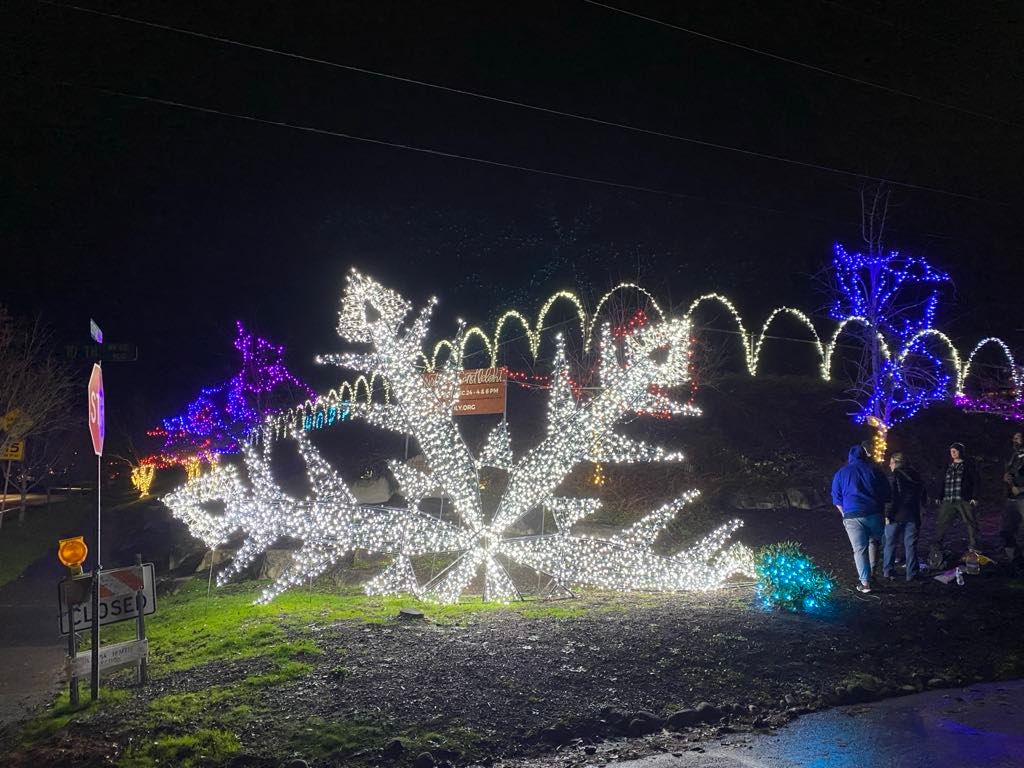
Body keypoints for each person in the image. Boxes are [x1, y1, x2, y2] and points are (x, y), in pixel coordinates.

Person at [832, 443, 891, 593]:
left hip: (852, 515)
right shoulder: (875, 471)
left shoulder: (841, 473)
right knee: (874, 543)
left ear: (850, 457)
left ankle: (865, 584)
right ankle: (873, 574)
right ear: (865, 456)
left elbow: (836, 498)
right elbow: (887, 493)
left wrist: (845, 514)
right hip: (874, 513)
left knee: (859, 550)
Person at [931, 442, 981, 560]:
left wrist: (975, 497)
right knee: (942, 522)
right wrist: (939, 496)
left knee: (970, 522)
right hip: (948, 498)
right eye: (951, 451)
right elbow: (941, 481)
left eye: (955, 451)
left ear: (961, 452)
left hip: (963, 498)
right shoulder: (948, 466)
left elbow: (976, 482)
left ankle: (974, 546)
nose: (953, 453)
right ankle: (937, 545)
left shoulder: (968, 466)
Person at [884, 452, 926, 581]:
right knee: (911, 545)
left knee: (890, 543)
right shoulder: (917, 476)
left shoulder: (893, 476)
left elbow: (891, 497)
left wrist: (887, 514)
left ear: (896, 463)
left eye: (891, 462)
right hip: (913, 515)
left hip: (895, 515)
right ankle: (911, 573)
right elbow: (923, 496)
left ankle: (888, 571)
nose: (889, 465)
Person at [999, 431, 1024, 569]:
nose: (1014, 440)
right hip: (1011, 498)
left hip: (1022, 498)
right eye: (1014, 438)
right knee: (1006, 530)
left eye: (1018, 438)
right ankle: (1015, 560)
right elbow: (1009, 472)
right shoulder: (1014, 456)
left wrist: (1021, 489)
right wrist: (1006, 477)